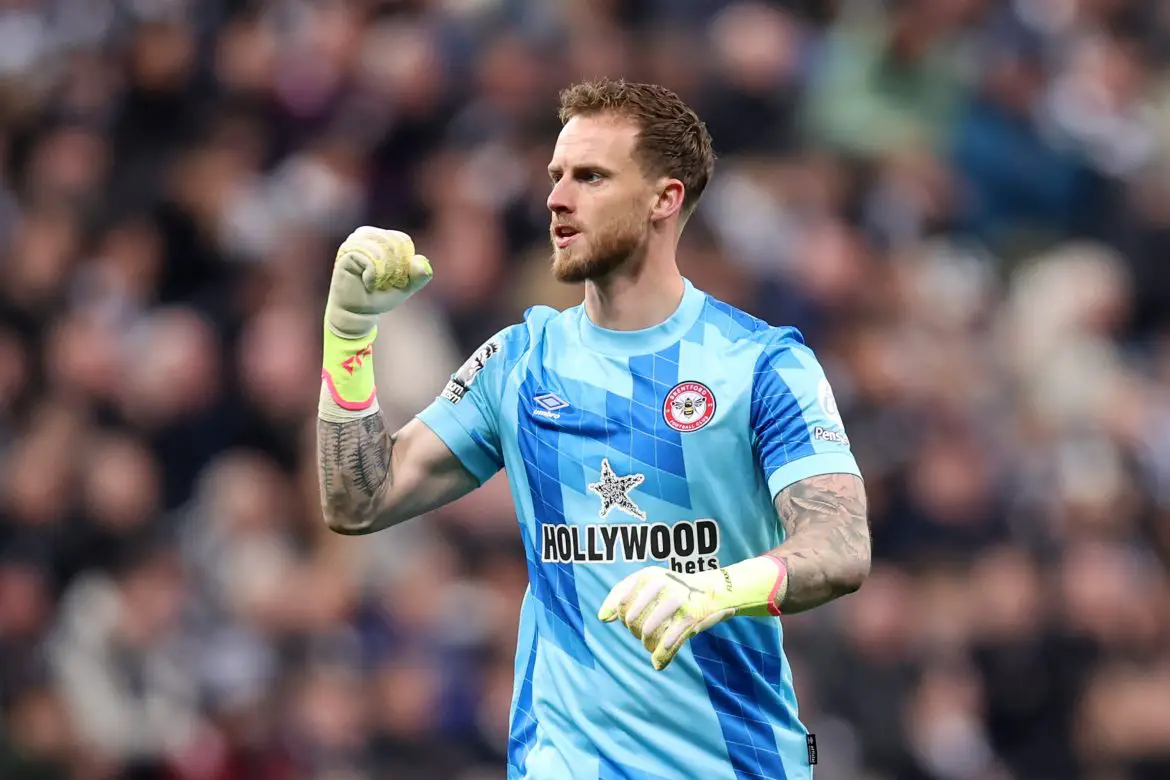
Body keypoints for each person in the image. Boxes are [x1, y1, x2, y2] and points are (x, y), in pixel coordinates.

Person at [316, 79, 871, 780]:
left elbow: (841, 546)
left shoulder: (760, 364)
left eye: (590, 177)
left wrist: (716, 591)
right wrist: (348, 336)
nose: (556, 197)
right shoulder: (518, 363)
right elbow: (359, 500)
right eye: (556, 175)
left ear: (664, 199)